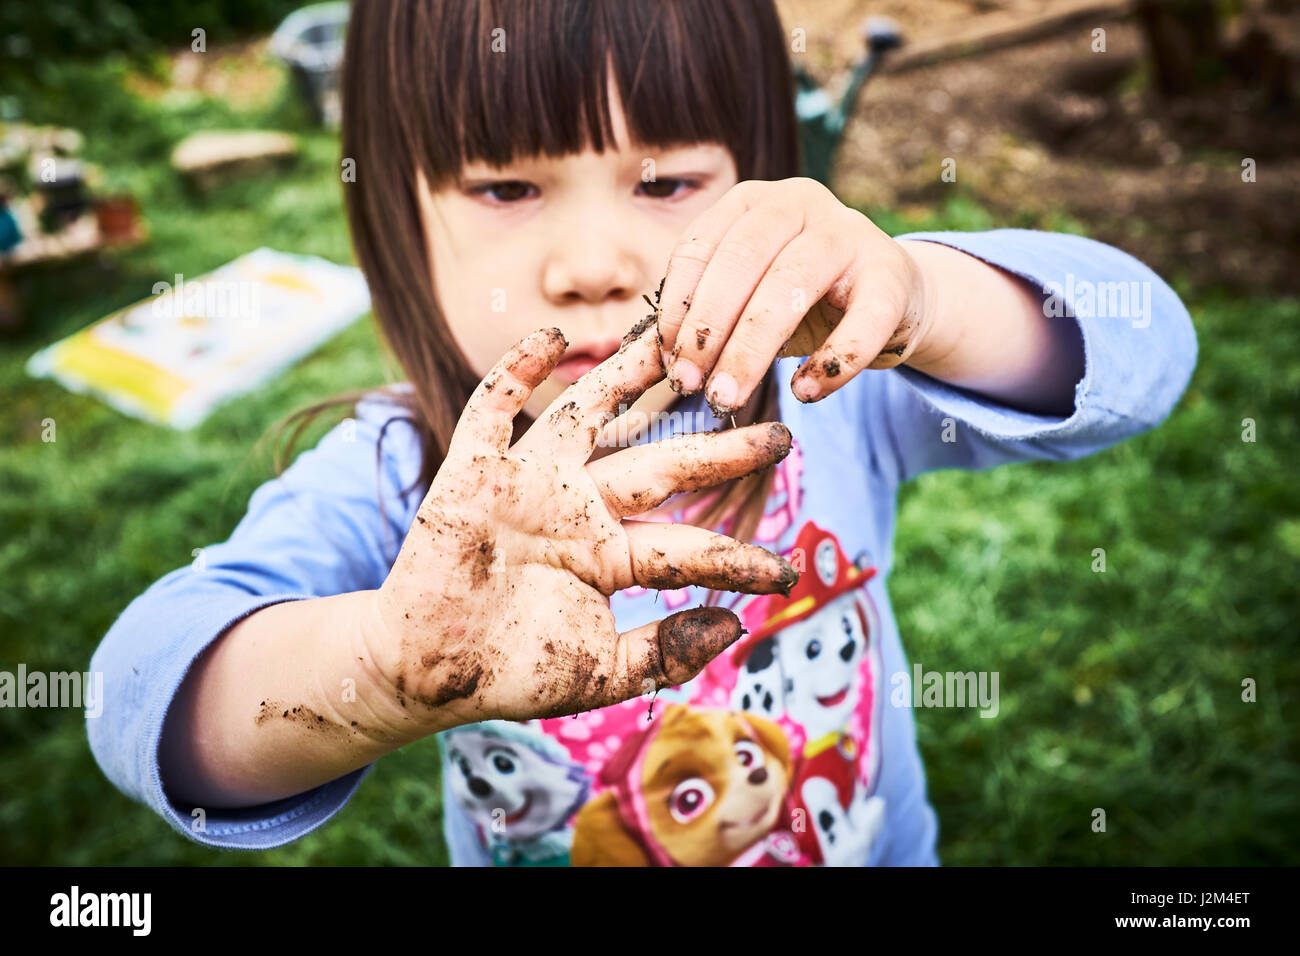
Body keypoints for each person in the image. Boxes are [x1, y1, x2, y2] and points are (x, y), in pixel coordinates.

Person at [87, 0, 1197, 866]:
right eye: (507, 186)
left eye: (664, 180)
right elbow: (137, 692)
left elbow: (1147, 348)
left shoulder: (833, 389)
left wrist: (923, 300)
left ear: (763, 176)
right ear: (396, 223)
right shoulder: (404, 476)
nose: (593, 264)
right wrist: (376, 669)